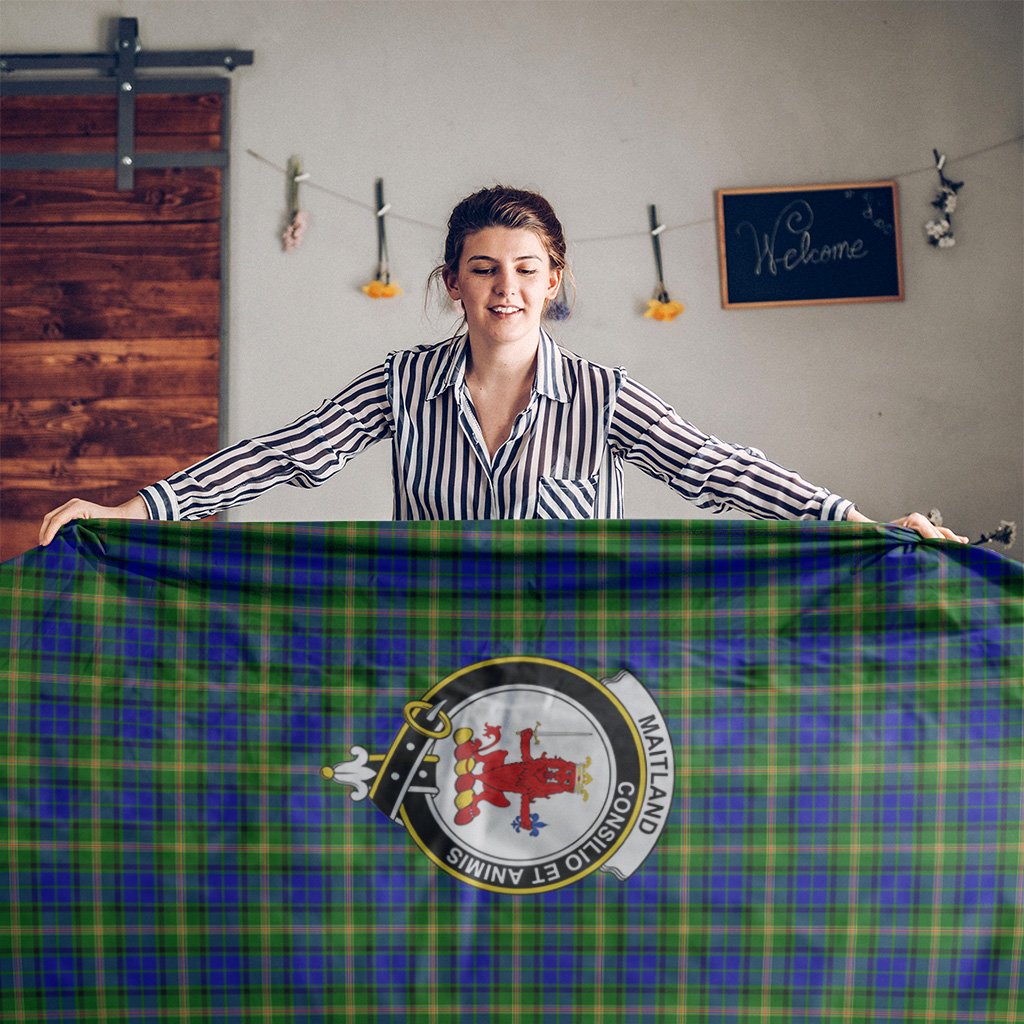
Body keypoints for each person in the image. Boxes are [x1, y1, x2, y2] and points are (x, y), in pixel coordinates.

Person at [39, 186, 967, 546]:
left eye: (527, 271)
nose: (506, 289)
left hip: (579, 663)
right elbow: (284, 455)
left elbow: (718, 468)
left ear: (555, 281)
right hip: (432, 659)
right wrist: (133, 510)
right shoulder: (401, 382)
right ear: (453, 283)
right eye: (484, 270)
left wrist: (857, 523)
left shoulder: (604, 397)